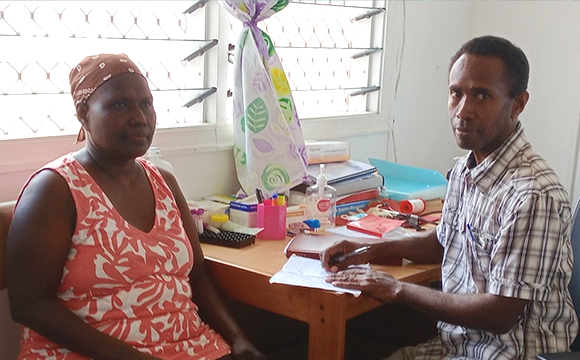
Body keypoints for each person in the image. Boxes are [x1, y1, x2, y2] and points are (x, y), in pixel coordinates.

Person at [322, 35, 578, 360]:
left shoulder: (533, 194)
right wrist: (369, 251)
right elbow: (443, 243)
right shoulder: (463, 172)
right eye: (456, 93)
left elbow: (501, 312)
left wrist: (397, 288)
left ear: (518, 103)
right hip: (458, 347)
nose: (463, 111)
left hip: (510, 354)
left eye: (482, 95)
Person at [6, 53, 265, 360]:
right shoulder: (55, 189)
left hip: (191, 348)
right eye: (119, 104)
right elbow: (29, 304)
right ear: (83, 113)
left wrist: (238, 339)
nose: (140, 118)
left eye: (146, 104)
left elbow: (196, 276)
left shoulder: (164, 182)